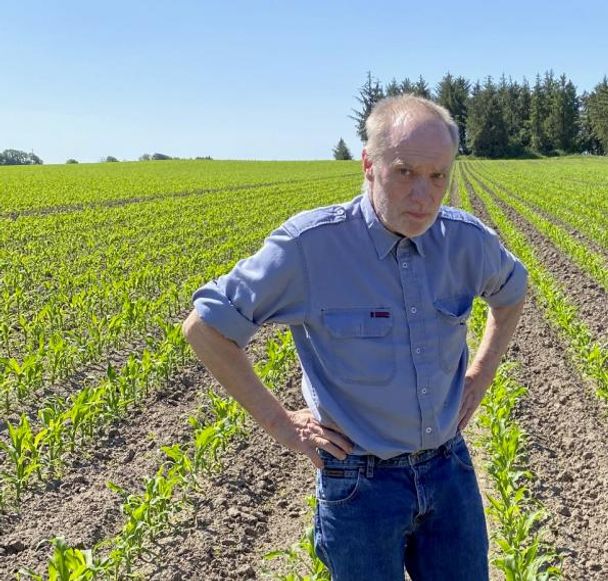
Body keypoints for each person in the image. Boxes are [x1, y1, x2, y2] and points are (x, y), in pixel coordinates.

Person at [181, 94, 528, 580]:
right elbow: (205, 328)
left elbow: (512, 293)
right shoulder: (309, 247)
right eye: (405, 172)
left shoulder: (465, 240)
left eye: (438, 176)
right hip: (359, 486)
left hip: (449, 471)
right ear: (369, 164)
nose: (423, 195)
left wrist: (482, 373)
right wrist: (281, 423)